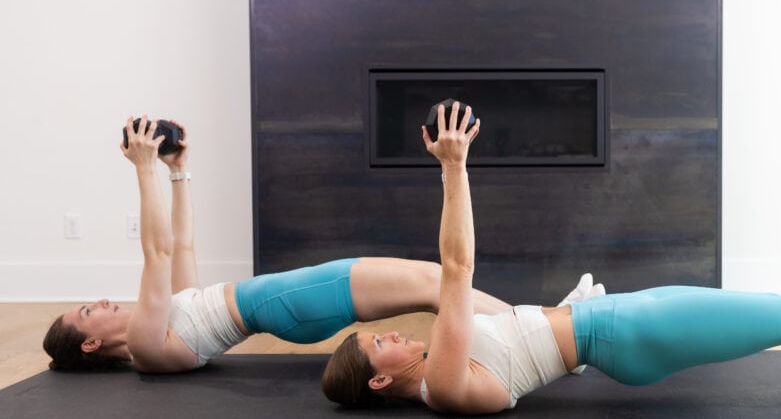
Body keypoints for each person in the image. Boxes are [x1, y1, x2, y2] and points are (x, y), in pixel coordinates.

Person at [321, 101, 781, 418]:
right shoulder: (439, 383)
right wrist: (453, 168)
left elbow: (519, 354)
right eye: (377, 343)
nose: (392, 333)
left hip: (606, 325)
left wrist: (565, 308)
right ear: (381, 382)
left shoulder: (446, 372)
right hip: (625, 333)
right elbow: (456, 267)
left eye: (380, 331)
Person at [42, 116, 591, 373]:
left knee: (433, 286)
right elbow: (156, 253)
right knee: (433, 281)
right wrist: (141, 169)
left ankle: (552, 327)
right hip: (290, 300)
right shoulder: (144, 343)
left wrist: (177, 173)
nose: (104, 302)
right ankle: (556, 326)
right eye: (89, 312)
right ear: (89, 344)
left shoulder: (162, 327)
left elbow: (180, 250)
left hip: (286, 304)